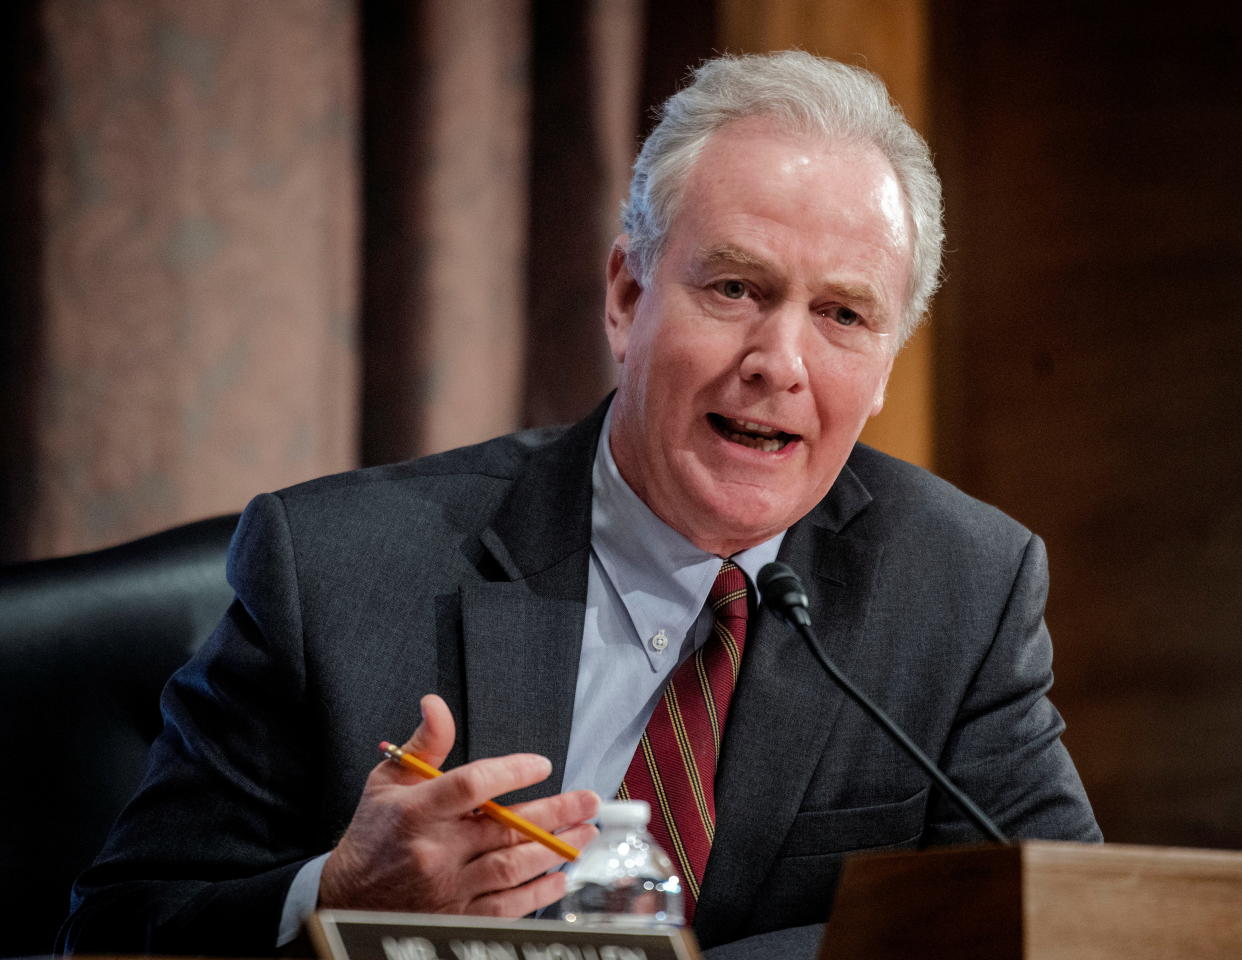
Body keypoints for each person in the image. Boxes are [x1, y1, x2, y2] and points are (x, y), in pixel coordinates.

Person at [60, 51, 1100, 959]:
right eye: (734, 288)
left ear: (883, 370)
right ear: (625, 296)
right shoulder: (333, 572)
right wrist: (334, 900)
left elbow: (1069, 930)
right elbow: (116, 929)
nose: (777, 362)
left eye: (841, 314)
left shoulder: (963, 589)